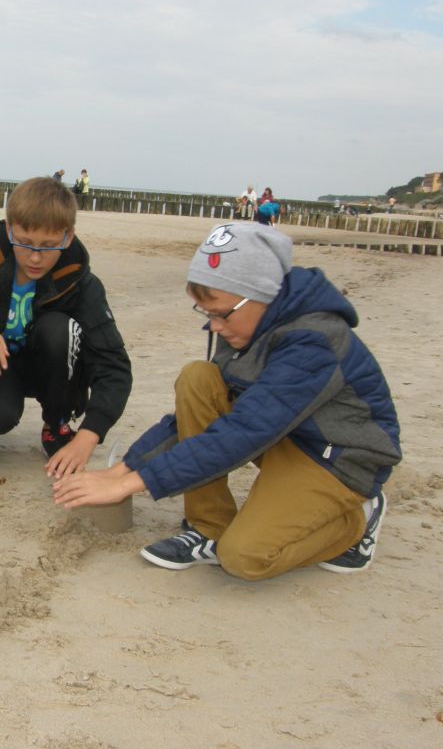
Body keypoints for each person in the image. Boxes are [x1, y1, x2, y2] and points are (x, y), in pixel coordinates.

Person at [53, 223, 401, 580]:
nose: (214, 327)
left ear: (260, 295)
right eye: (207, 314)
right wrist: (124, 468)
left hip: (335, 459)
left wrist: (131, 484)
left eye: (220, 314)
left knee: (244, 558)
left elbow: (244, 432)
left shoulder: (315, 340)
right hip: (281, 435)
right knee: (199, 377)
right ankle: (210, 527)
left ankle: (357, 522)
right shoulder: (243, 324)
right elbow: (200, 421)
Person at [0, 176, 132, 477]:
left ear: (68, 237)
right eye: (25, 243)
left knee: (59, 329)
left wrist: (89, 436)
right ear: (10, 229)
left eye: (48, 246)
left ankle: (57, 422)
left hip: (53, 370)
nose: (35, 257)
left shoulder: (82, 282)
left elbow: (114, 367)